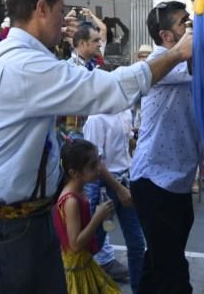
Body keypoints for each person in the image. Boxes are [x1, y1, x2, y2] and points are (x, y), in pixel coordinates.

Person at [0, 0, 193, 293]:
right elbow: (108, 89)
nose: (66, 23)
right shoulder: (25, 65)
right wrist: (176, 54)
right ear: (41, 8)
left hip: (17, 220)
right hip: (12, 227)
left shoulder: (5, 57)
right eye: (61, 13)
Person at [130, 1, 202, 294]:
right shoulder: (161, 63)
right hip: (155, 181)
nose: (192, 27)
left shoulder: (182, 62)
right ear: (167, 36)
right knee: (172, 270)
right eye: (185, 23)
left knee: (158, 260)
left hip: (175, 180)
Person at [70, 22, 136, 284]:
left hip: (96, 142)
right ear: (82, 44)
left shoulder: (94, 67)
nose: (100, 44)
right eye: (95, 41)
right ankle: (94, 261)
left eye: (100, 40)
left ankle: (101, 258)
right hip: (79, 144)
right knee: (89, 208)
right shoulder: (72, 69)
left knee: (98, 209)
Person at [53, 139, 119, 294]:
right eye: (92, 166)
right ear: (74, 173)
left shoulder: (80, 192)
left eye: (98, 162)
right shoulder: (71, 201)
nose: (98, 169)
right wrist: (98, 217)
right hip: (76, 269)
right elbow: (75, 244)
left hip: (85, 262)